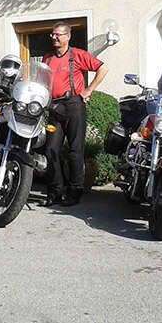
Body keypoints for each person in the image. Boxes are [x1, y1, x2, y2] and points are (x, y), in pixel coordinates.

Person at [40, 22, 109, 207]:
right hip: (54, 107)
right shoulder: (47, 58)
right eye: (52, 35)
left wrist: (89, 90)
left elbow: (103, 68)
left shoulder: (77, 55)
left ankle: (75, 192)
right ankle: (55, 192)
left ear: (67, 36)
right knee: (51, 149)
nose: (54, 38)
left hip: (73, 106)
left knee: (75, 151)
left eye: (58, 35)